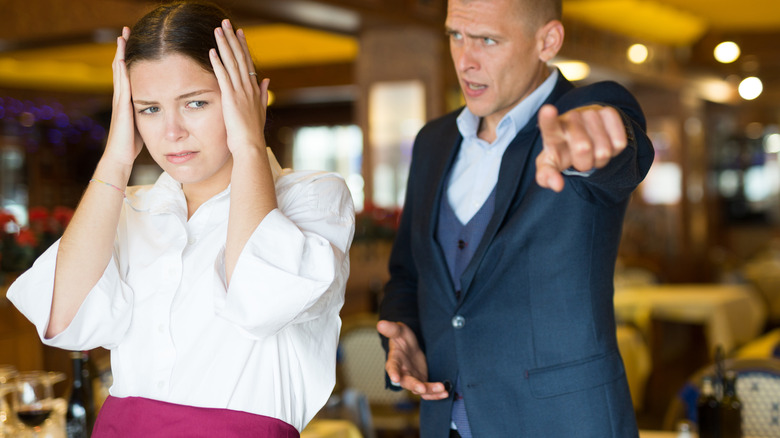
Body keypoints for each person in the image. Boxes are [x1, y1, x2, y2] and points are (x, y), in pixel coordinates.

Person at [8, 1, 354, 436]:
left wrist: (249, 143)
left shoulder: (311, 196)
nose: (171, 132)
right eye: (149, 108)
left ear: (247, 99)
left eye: (194, 103)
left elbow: (260, 303)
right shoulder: (127, 207)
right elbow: (62, 320)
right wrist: (116, 159)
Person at [376, 0, 654, 436]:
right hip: (445, 423)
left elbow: (620, 144)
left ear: (548, 41)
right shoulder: (432, 141)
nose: (465, 61)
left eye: (488, 40)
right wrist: (403, 335)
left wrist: (593, 136)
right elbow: (409, 273)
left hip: (563, 425)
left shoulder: (581, 118)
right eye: (456, 35)